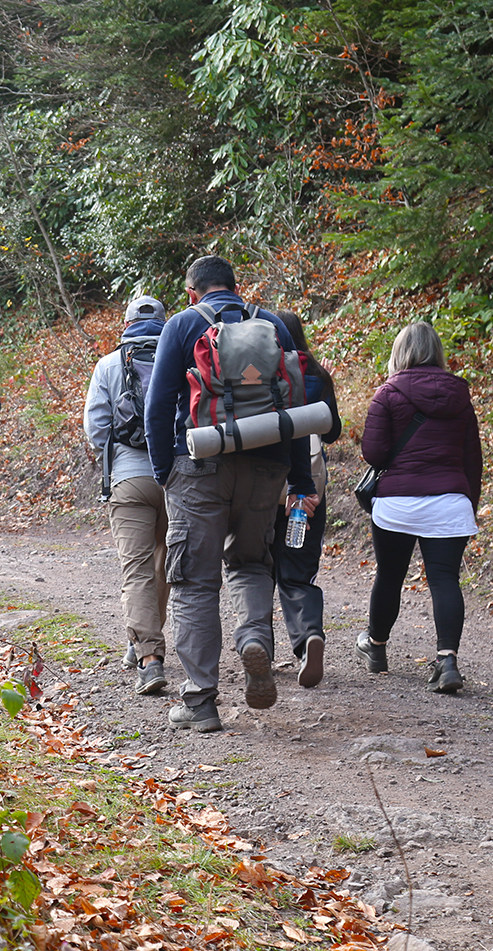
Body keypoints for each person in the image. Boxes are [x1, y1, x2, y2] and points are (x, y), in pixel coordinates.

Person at [142, 255, 315, 732]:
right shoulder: (273, 325)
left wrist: (165, 471)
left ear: (193, 292)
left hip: (199, 464)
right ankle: (253, 640)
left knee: (195, 580)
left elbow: (157, 407)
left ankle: (200, 700)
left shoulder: (181, 325)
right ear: (237, 289)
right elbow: (295, 408)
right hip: (268, 464)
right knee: (252, 563)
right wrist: (298, 477)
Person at [355, 321, 481, 695]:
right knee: (444, 580)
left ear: (400, 352)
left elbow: (374, 454)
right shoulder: (461, 397)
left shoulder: (387, 394)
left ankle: (376, 647)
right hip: (449, 502)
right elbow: (472, 459)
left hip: (398, 502)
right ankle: (447, 661)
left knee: (390, 576)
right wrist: (468, 504)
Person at [84, 295, 171, 693]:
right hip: (177, 477)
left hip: (129, 477)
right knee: (163, 564)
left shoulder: (107, 365)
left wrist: (117, 457)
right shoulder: (182, 355)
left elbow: (96, 427)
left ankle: (149, 658)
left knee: (135, 570)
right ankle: (143, 641)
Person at [272, 311, 342, 689]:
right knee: (298, 569)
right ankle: (308, 637)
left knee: (257, 568)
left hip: (262, 488)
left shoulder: (255, 375)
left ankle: (258, 647)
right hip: (307, 491)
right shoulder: (315, 374)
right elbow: (331, 433)